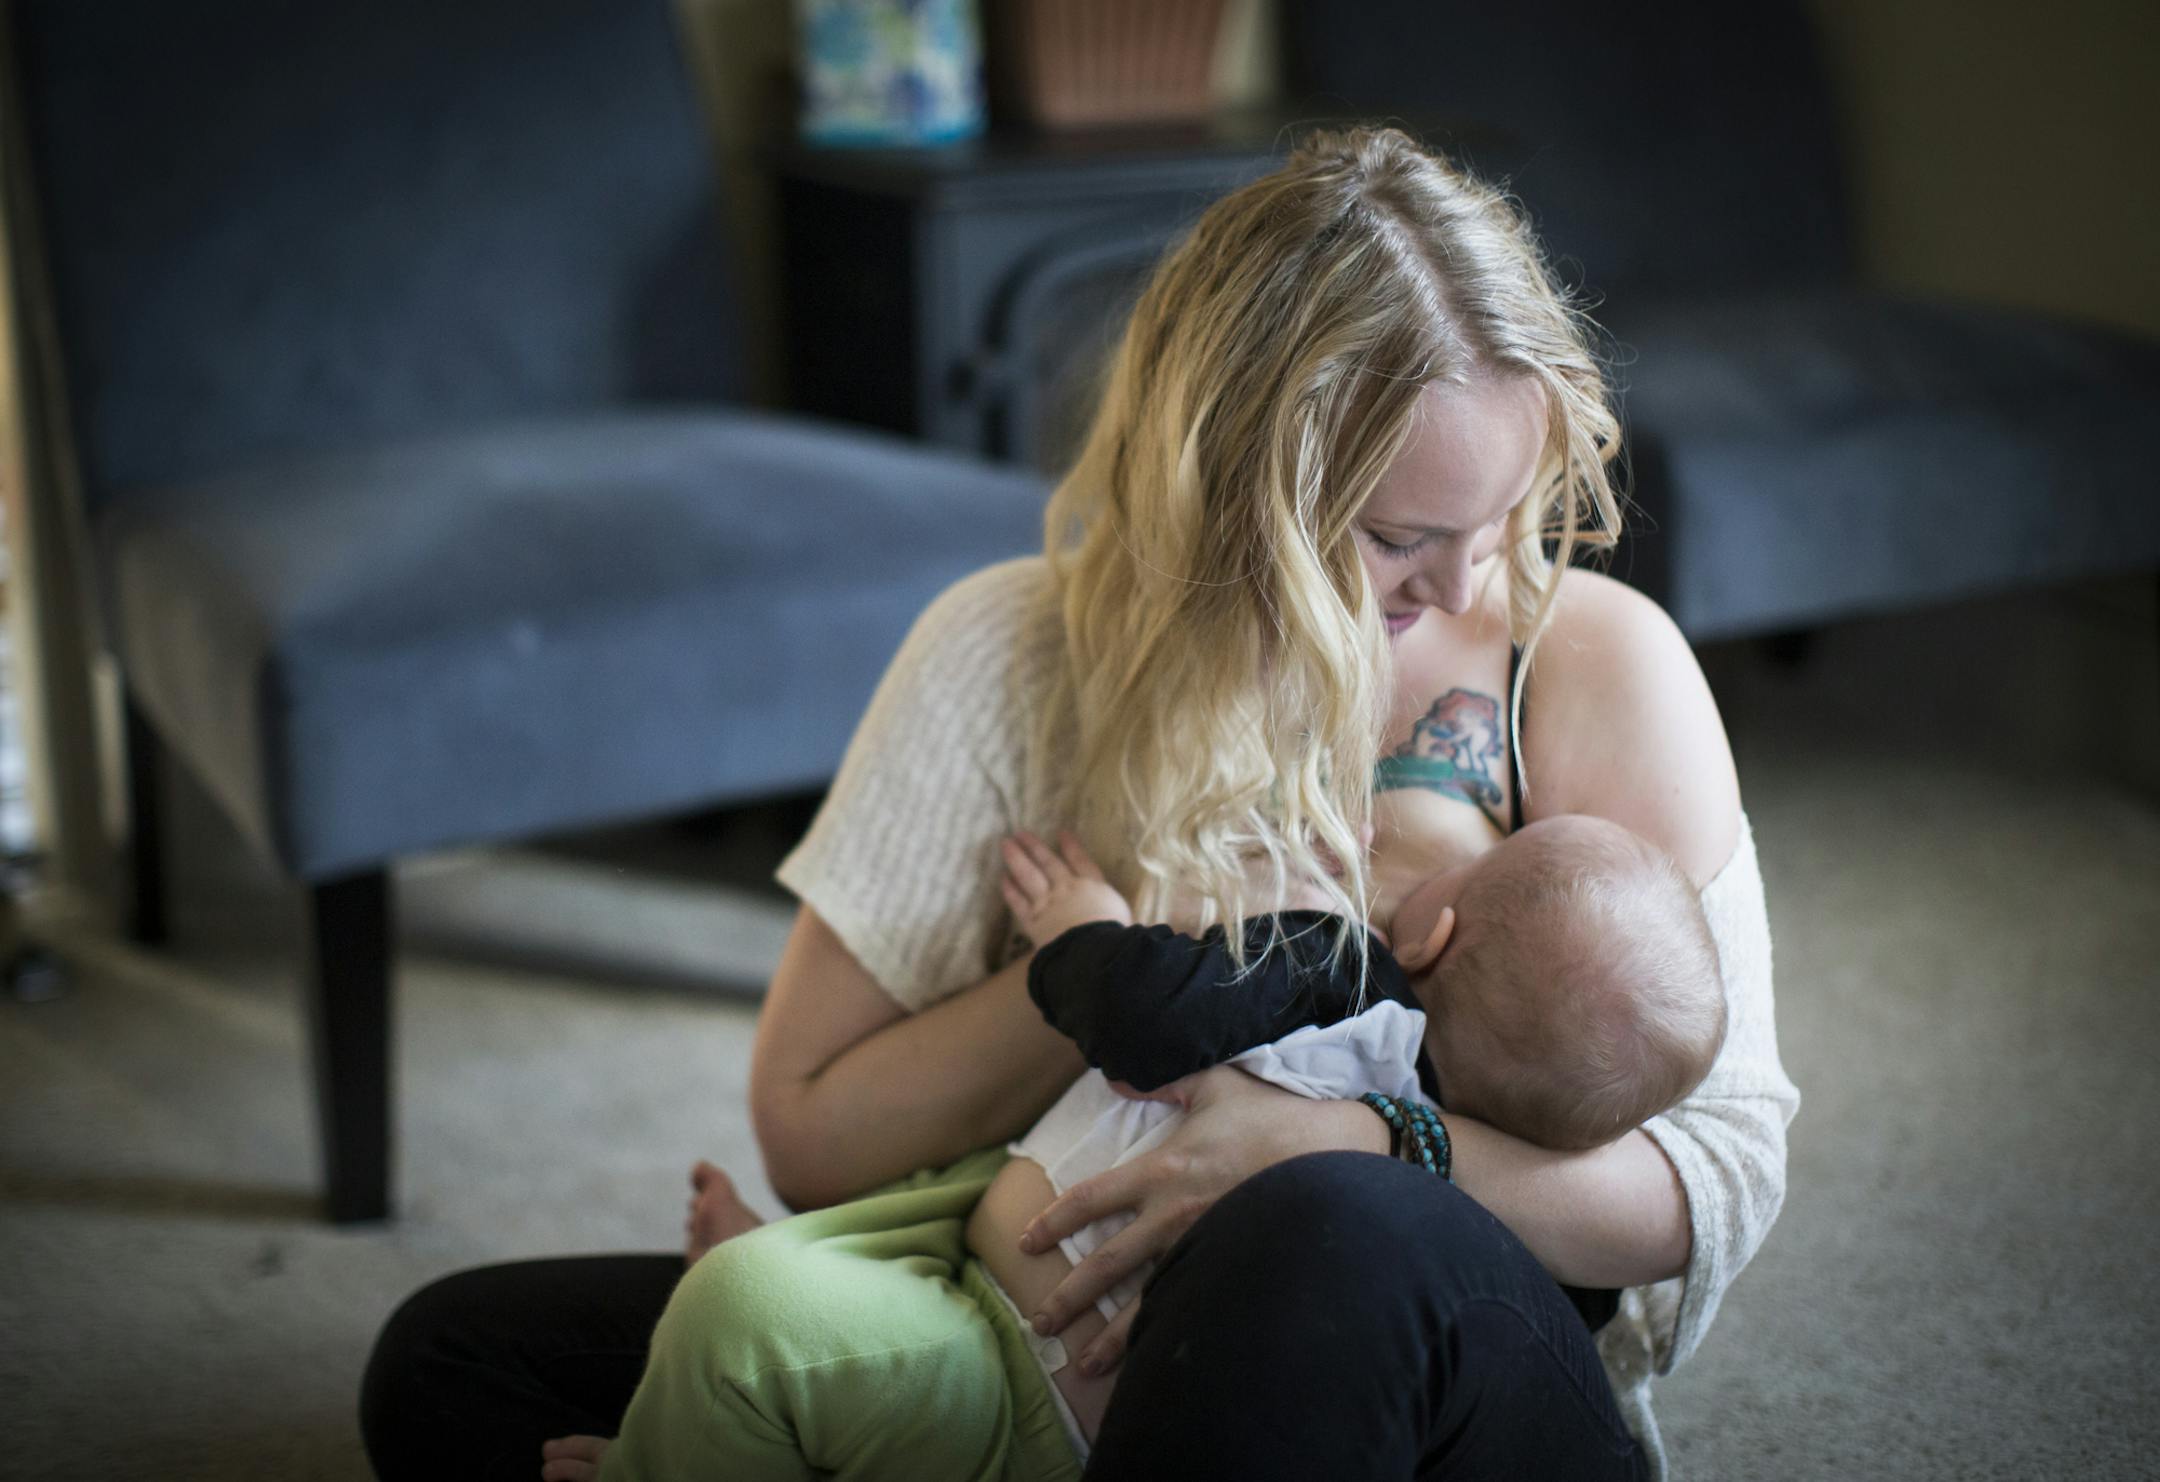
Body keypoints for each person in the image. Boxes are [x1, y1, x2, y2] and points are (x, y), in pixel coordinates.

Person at [360, 125, 1798, 1482]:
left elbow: (1711, 1171)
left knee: (1326, 1229)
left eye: (1500, 516)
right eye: (1401, 538)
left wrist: (1355, 1140)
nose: (1471, 586)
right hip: (1030, 1319)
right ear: (1237, 497)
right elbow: (811, 1132)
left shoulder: (1591, 657)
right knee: (457, 1366)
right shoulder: (1013, 648)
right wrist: (1113, 944)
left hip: (1397, 1347)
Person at [574, 811, 1727, 1479]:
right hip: (999, 1294)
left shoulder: (1349, 970)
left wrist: (1089, 930)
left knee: (742, 1322)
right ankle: (787, 1309)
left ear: (1436, 922)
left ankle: (682, 1440)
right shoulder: (1516, 1219)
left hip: (1017, 1381)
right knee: (469, 1362)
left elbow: (1143, 1020)